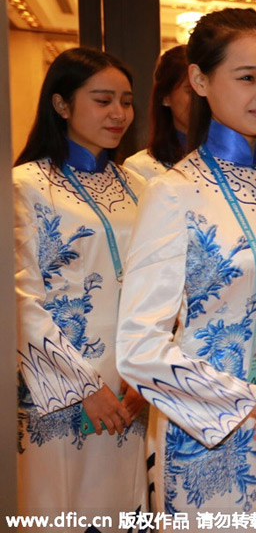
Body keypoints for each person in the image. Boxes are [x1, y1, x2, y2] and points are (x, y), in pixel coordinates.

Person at [116, 8, 256, 526]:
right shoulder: (172, 193)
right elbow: (137, 346)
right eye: (247, 78)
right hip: (207, 433)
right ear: (199, 80)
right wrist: (249, 402)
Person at [14, 47, 148, 530]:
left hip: (132, 384)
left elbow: (163, 286)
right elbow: (18, 298)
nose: (118, 114)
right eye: (102, 100)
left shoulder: (141, 187)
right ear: (62, 104)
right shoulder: (24, 185)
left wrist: (146, 376)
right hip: (61, 388)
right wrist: (83, 386)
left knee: (125, 504)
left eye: (126, 102)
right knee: (59, 507)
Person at [123, 44, 191, 180]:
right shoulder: (141, 169)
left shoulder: (234, 159)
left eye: (205, 88)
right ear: (165, 97)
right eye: (190, 91)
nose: (201, 99)